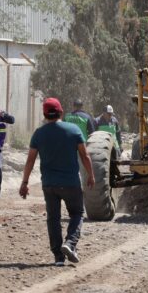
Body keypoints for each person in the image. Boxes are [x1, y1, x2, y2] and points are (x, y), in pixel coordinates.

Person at [20, 98, 96, 266]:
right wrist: (91, 175)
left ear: (45, 114)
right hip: (71, 183)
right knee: (77, 214)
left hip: (49, 185)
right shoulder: (74, 130)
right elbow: (85, 155)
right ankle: (70, 243)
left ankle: (58, 257)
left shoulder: (39, 133)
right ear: (61, 112)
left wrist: (24, 182)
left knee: (53, 218)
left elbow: (30, 161)